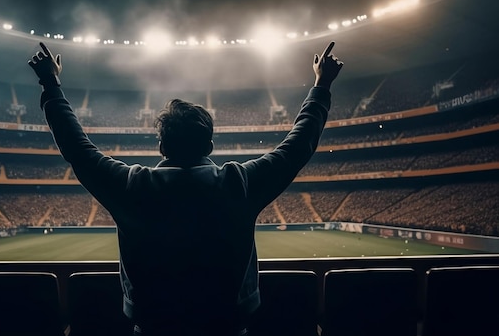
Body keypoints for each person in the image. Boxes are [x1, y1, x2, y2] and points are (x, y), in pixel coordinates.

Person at [29, 41, 343, 336]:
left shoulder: (132, 186)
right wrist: (321, 85)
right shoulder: (238, 183)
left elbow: (76, 148)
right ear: (209, 144)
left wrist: (50, 85)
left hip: (153, 325)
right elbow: (298, 146)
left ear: (162, 145)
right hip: (228, 326)